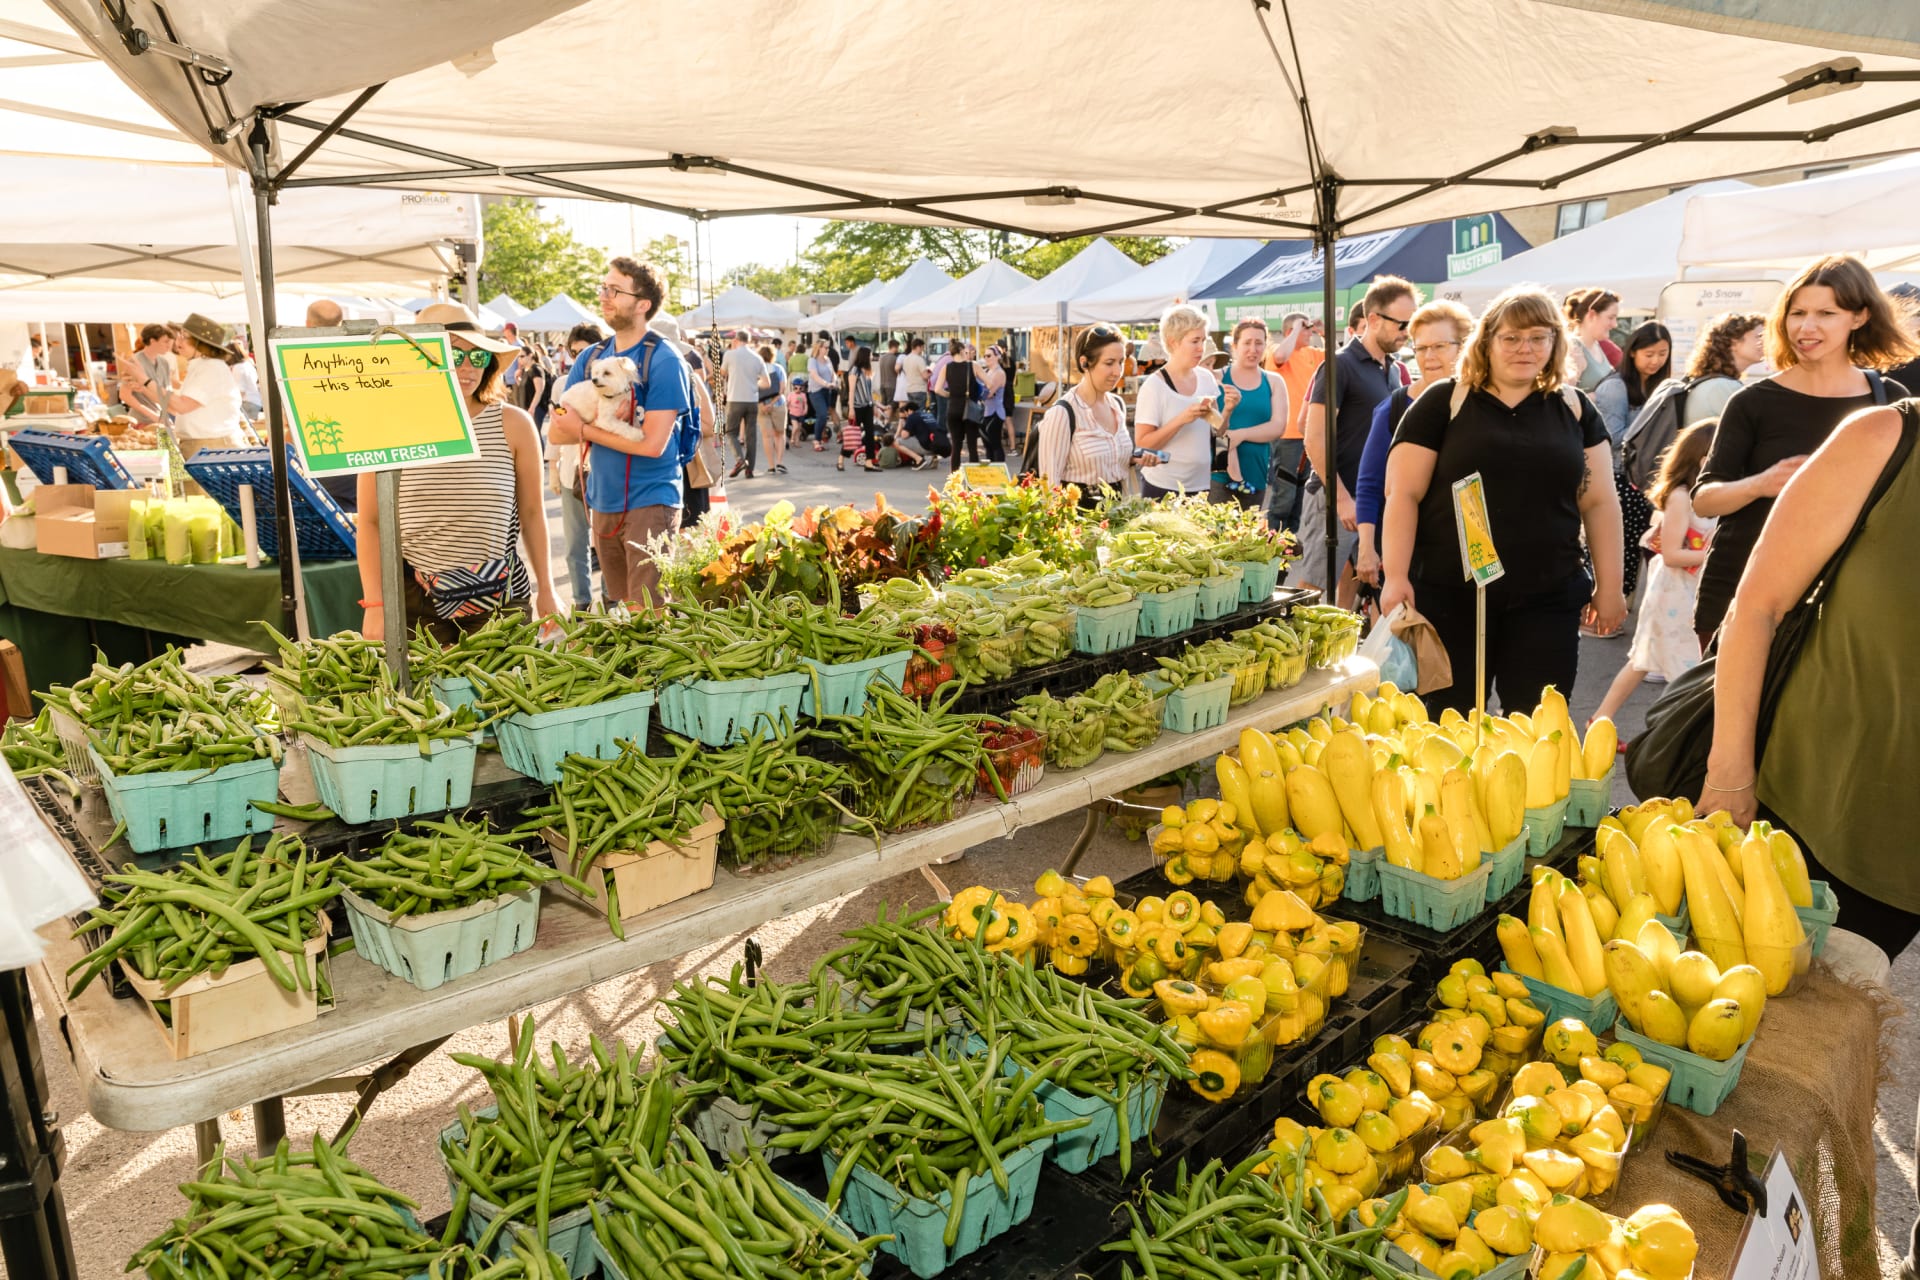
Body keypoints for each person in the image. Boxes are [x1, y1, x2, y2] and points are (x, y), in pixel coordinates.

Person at [1699, 398, 1920, 961]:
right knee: (1772, 1003)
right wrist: (1728, 772)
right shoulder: (1884, 436)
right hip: (1819, 802)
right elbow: (1756, 607)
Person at [1379, 285, 1626, 714]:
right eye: (1511, 337)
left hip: (1547, 599)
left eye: (1538, 337)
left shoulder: (1575, 409)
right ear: (1487, 341)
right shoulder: (1444, 401)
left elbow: (1601, 503)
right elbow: (1402, 494)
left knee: (1535, 729)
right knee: (1443, 725)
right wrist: (1396, 576)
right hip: (1449, 597)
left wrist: (1611, 587)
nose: (1524, 348)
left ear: (1555, 343)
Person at [1691, 254, 1915, 643]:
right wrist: (1760, 484)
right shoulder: (1753, 401)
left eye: (1826, 313)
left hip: (1844, 596)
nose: (1806, 327)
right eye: (1797, 313)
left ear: (1859, 317)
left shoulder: (1889, 399)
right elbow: (1704, 501)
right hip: (1741, 591)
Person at [355, 303, 558, 641]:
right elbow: (371, 521)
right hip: (415, 599)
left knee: (505, 691)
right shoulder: (388, 427)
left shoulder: (513, 425)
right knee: (423, 694)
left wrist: (547, 589)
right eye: (453, 355)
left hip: (500, 598)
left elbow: (534, 513)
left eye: (477, 357)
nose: (468, 368)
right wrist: (376, 606)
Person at [547, 257, 693, 607]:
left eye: (616, 290)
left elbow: (653, 445)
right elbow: (557, 433)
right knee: (624, 607)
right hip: (603, 499)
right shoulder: (592, 358)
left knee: (649, 610)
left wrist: (585, 429)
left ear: (643, 305)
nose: (604, 296)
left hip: (651, 500)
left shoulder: (663, 359)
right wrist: (582, 429)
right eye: (604, 287)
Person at [1287, 277, 1418, 595]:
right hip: (1334, 497)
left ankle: (1340, 645)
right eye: (1402, 324)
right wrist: (1342, 499)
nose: (1407, 332)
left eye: (1411, 323)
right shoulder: (1340, 365)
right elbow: (1314, 437)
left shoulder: (1389, 368)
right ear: (1373, 319)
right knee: (1313, 589)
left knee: (1352, 581)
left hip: (1370, 500)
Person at [1590, 422, 1716, 729]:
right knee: (1676, 664)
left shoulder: (1708, 496)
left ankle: (1600, 720)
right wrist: (1714, 555)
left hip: (1691, 591)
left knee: (1647, 659)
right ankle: (1667, 737)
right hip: (1674, 593)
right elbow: (1671, 554)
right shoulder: (1681, 497)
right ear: (1698, 458)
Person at [1354, 299, 1472, 587]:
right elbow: (1370, 484)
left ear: (1464, 346)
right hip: (1406, 555)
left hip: (1468, 552)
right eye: (1421, 348)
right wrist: (1367, 548)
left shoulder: (1481, 405)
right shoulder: (1393, 408)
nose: (1429, 356)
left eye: (1440, 346)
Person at [1594, 321, 1672, 602]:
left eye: (1662, 354)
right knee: (1621, 547)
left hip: (1647, 479)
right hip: (1620, 478)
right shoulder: (1615, 388)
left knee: (1644, 546)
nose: (1655, 361)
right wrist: (1652, 420)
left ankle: (1627, 605)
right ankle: (1610, 606)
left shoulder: (1656, 385)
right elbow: (1612, 437)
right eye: (1649, 354)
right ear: (1632, 352)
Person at [1036, 324, 1134, 506]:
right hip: (1080, 521)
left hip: (1119, 516)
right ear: (1084, 363)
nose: (1117, 371)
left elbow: (1110, 459)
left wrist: (1134, 458)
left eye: (1121, 362)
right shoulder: (1063, 413)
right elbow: (1049, 487)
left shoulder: (1117, 404)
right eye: (1109, 363)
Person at [546, 322, 604, 608]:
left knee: (606, 541)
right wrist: (552, 467)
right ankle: (581, 602)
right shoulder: (561, 383)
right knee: (575, 544)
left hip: (606, 471)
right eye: (574, 352)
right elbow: (555, 428)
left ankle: (612, 598)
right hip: (572, 470)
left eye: (585, 352)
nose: (579, 357)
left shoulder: (609, 383)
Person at [1207, 319, 1288, 512]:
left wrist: (1241, 434)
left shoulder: (1274, 381)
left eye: (1259, 343)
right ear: (1234, 346)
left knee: (1247, 537)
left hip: (1255, 473)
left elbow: (1278, 427)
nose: (1253, 349)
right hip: (1217, 474)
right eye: (1247, 342)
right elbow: (1211, 425)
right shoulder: (1216, 377)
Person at [1266, 313, 1324, 530]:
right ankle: (1273, 545)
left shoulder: (1311, 353)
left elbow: (1339, 360)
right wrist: (1296, 328)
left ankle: (1289, 545)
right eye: (1305, 328)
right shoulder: (1277, 353)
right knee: (1284, 495)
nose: (1309, 332)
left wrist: (1323, 332)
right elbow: (1280, 355)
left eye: (1309, 328)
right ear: (1291, 332)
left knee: (1299, 495)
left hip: (1308, 435)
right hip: (1288, 436)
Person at [164, 314, 251, 457]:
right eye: (179, 335)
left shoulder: (211, 368)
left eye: (184, 337)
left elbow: (182, 406)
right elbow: (176, 406)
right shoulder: (202, 366)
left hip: (212, 448)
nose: (178, 342)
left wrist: (147, 382)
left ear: (200, 343)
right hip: (208, 447)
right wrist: (145, 386)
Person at [1678, 311, 1767, 428]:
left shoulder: (1712, 382)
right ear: (1734, 343)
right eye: (1759, 336)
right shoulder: (1724, 387)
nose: (1765, 342)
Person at [720, 330, 767, 479]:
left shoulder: (730, 354)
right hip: (752, 399)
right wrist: (753, 382)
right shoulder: (757, 357)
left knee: (731, 431)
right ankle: (750, 469)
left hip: (735, 398)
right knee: (751, 436)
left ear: (735, 339)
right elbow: (766, 382)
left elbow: (722, 372)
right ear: (749, 340)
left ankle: (740, 460)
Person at [1563, 287, 1622, 393]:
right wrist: (1597, 397)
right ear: (1592, 315)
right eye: (1610, 318)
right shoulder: (1574, 350)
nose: (1615, 324)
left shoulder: (1596, 345)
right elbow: (1564, 398)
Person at [119, 323, 175, 425]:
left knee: (168, 441)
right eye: (165, 341)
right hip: (141, 422)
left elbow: (167, 392)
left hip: (162, 420)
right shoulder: (134, 362)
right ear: (152, 341)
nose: (169, 345)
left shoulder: (164, 363)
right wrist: (153, 416)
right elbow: (124, 395)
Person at [942, 342, 981, 470]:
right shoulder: (973, 366)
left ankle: (954, 478)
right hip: (969, 408)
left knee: (956, 445)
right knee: (972, 446)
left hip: (953, 407)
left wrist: (951, 394)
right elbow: (990, 383)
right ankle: (974, 478)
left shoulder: (946, 367)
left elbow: (937, 389)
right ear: (961, 351)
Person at [843, 345, 881, 473]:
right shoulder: (855, 371)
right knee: (853, 435)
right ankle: (841, 458)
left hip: (867, 406)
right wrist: (851, 408)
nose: (872, 356)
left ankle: (869, 462)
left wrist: (874, 405)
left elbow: (869, 392)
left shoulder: (868, 371)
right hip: (857, 407)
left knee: (870, 435)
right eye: (870, 354)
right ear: (865, 356)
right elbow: (851, 391)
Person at [977, 345, 1011, 464]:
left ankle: (999, 469)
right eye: (985, 355)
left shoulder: (999, 373)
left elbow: (989, 393)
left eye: (989, 355)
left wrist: (978, 391)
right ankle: (991, 469)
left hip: (995, 412)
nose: (986, 358)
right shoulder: (987, 371)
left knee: (995, 442)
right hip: (986, 411)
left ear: (997, 357)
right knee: (988, 444)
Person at [757, 344, 788, 475]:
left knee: (767, 436)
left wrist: (763, 404)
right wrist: (773, 403)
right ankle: (780, 462)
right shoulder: (778, 368)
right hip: (778, 404)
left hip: (761, 405)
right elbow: (782, 389)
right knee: (779, 435)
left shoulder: (757, 370)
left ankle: (771, 466)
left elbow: (753, 389)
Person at [806, 339, 837, 450]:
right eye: (825, 347)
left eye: (828, 347)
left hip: (827, 391)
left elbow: (833, 373)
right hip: (816, 391)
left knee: (824, 416)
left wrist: (834, 382)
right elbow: (814, 375)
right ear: (819, 348)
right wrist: (826, 383)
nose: (827, 349)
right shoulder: (812, 360)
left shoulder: (827, 359)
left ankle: (820, 437)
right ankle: (817, 440)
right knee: (822, 414)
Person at [227, 338, 264, 418]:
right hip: (256, 400)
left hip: (247, 402)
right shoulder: (248, 364)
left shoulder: (237, 368)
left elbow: (241, 391)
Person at [898, 337, 931, 412]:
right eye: (922, 347)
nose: (923, 350)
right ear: (918, 347)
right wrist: (930, 374)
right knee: (919, 413)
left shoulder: (906, 358)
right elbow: (925, 376)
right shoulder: (919, 359)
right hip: (919, 389)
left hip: (909, 389)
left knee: (911, 412)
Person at [877, 339, 900, 426]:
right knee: (890, 405)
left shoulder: (882, 358)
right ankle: (886, 424)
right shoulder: (895, 359)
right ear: (895, 347)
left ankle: (879, 422)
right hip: (892, 385)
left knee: (883, 405)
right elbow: (897, 372)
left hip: (882, 384)